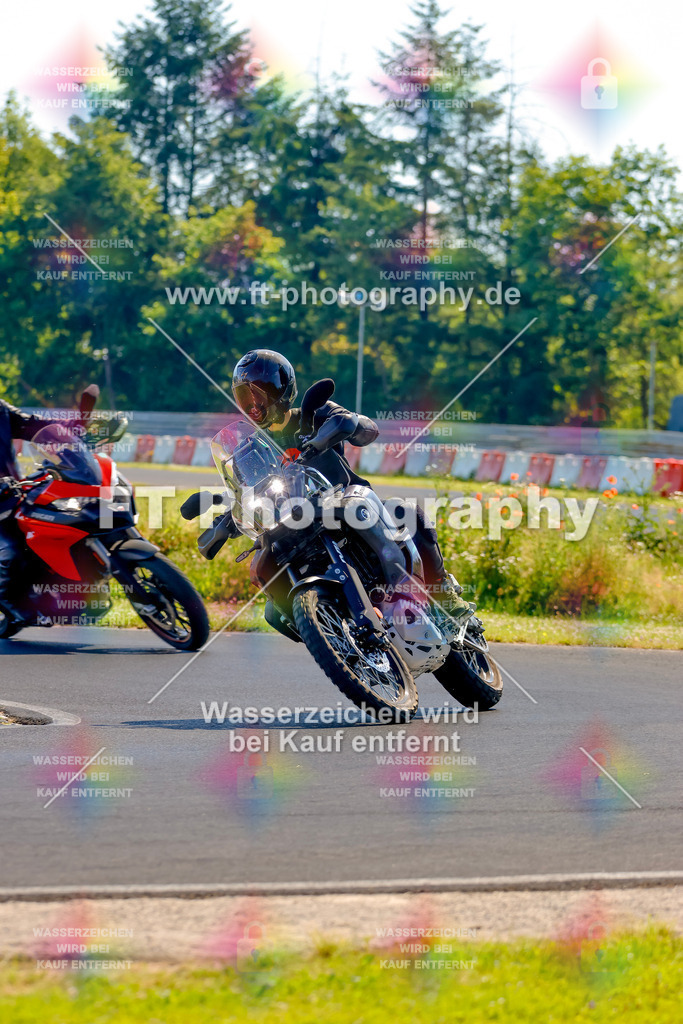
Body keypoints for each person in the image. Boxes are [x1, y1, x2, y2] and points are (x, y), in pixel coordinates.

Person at [230, 349, 475, 624]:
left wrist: (347, 424)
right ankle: (341, 644)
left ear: (281, 390)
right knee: (275, 612)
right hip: (297, 531)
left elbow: (367, 430)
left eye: (260, 393)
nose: (253, 403)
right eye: (244, 396)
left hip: (349, 507)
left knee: (407, 513)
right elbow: (243, 491)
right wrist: (226, 515)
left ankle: (444, 598)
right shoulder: (249, 452)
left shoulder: (316, 414)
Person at [0, 400, 52, 625]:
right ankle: (11, 603)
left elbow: (32, 426)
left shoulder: (0, 409)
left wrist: (75, 427)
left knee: (46, 529)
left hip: (9, 492)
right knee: (10, 549)